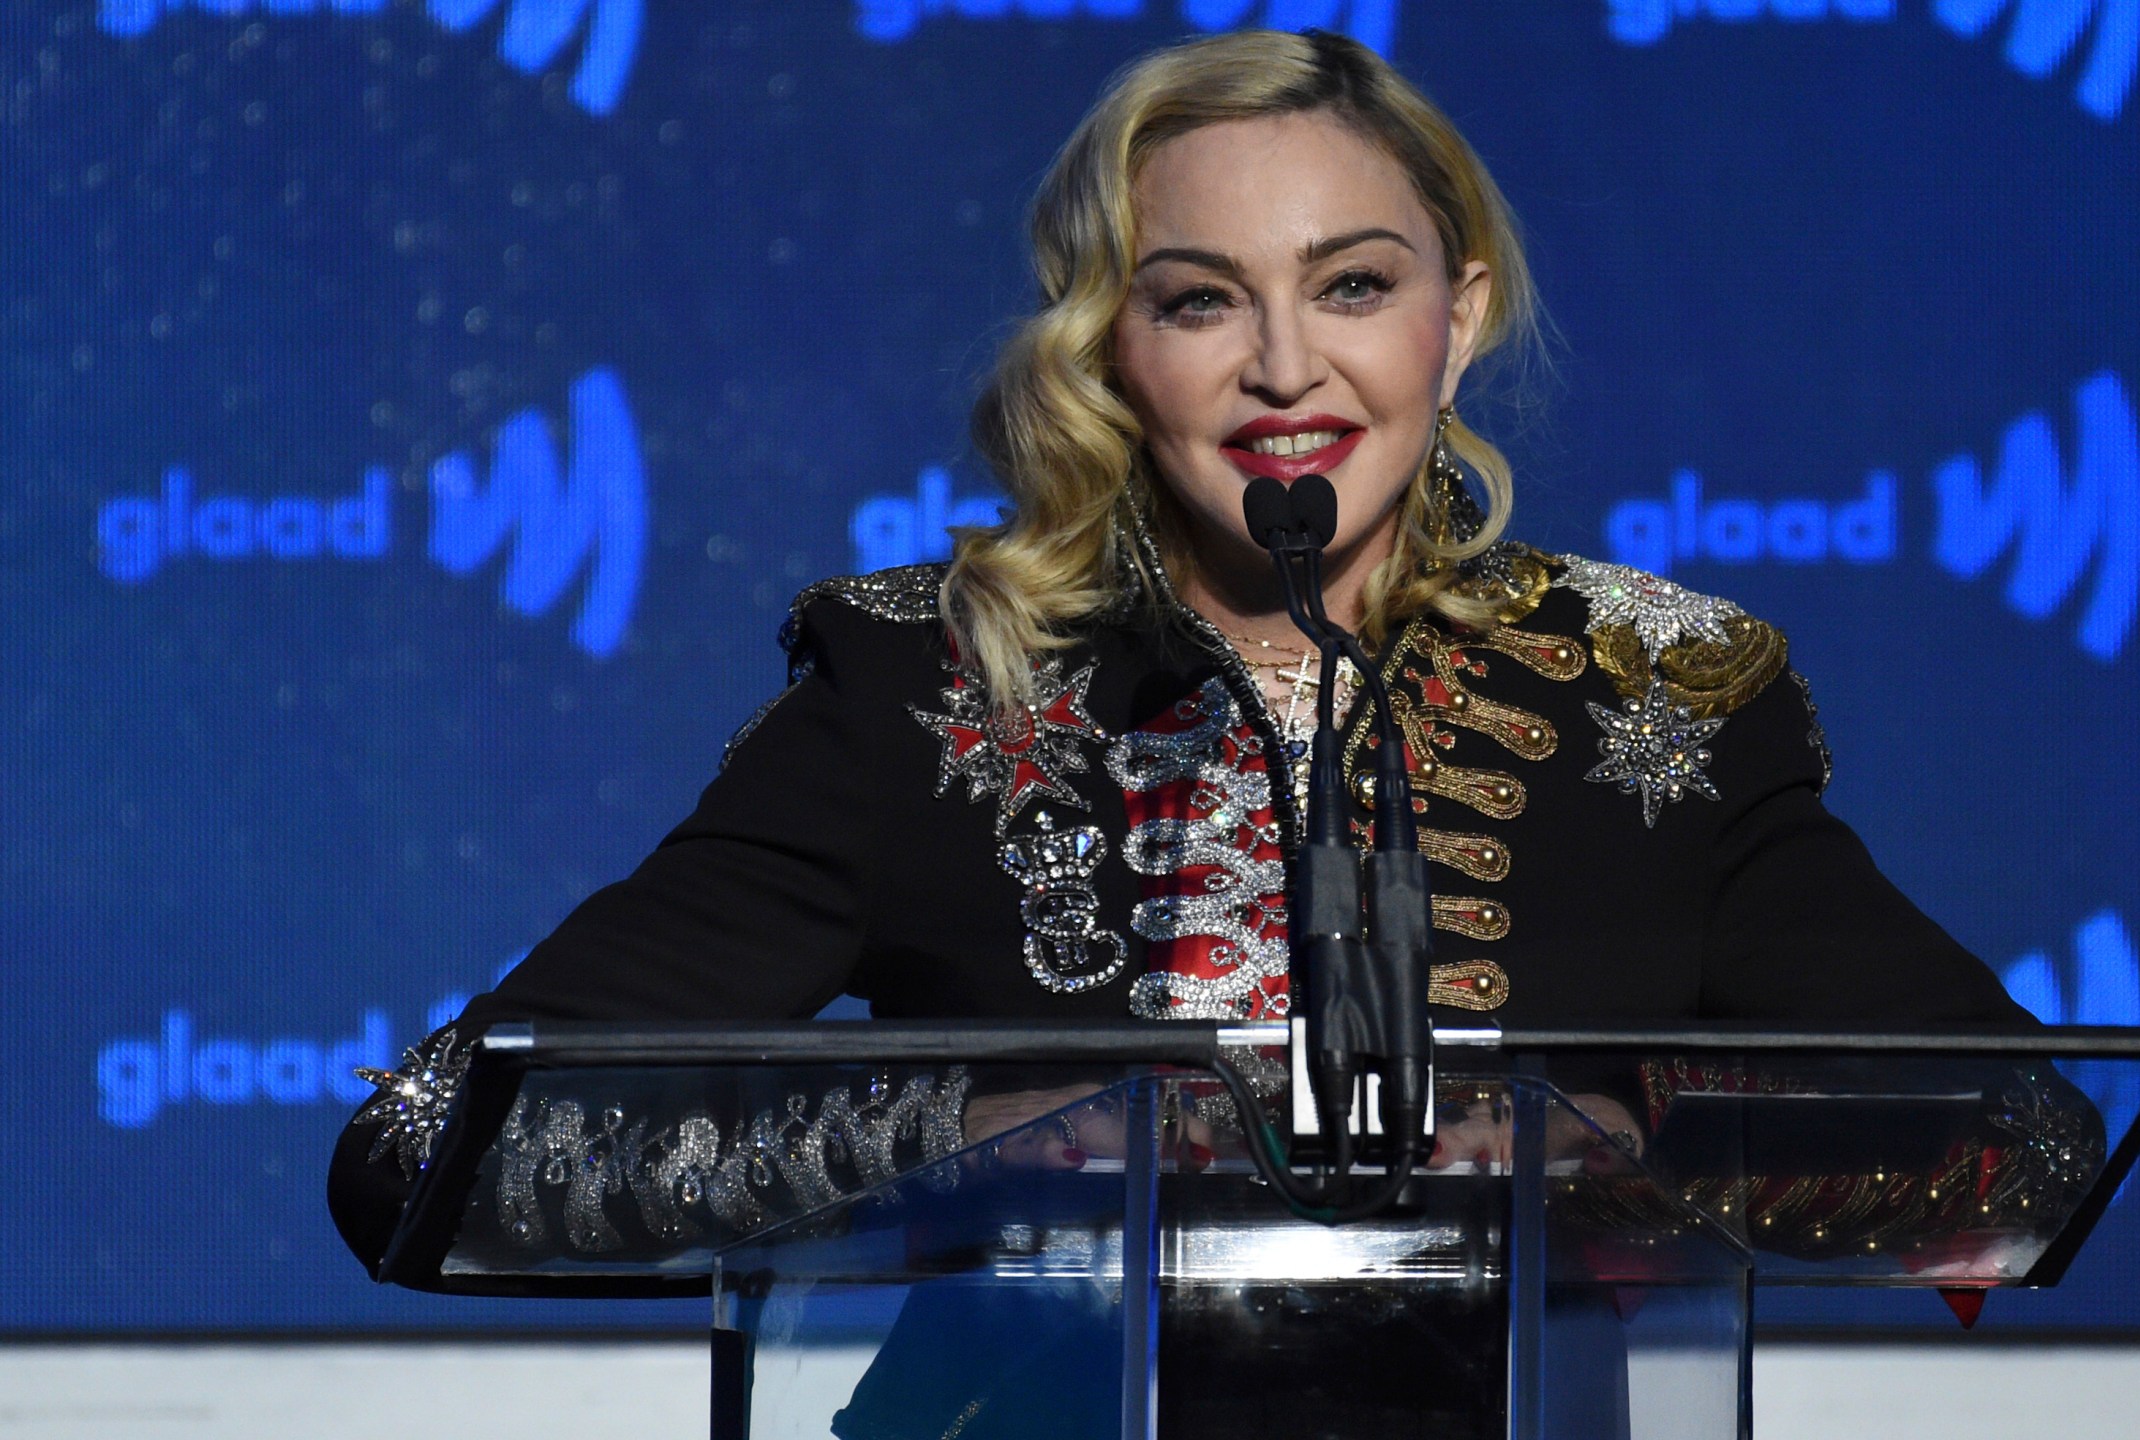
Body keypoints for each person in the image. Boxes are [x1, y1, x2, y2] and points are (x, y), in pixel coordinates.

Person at [329, 26, 2052, 1435]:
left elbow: (2016, 1139)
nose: (1285, 369)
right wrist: (982, 1135)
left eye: (1355, 287)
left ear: (1458, 322)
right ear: (1112, 351)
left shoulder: (1655, 701)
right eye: (1201, 299)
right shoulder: (931, 685)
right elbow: (427, 1149)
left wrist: (1597, 1151)